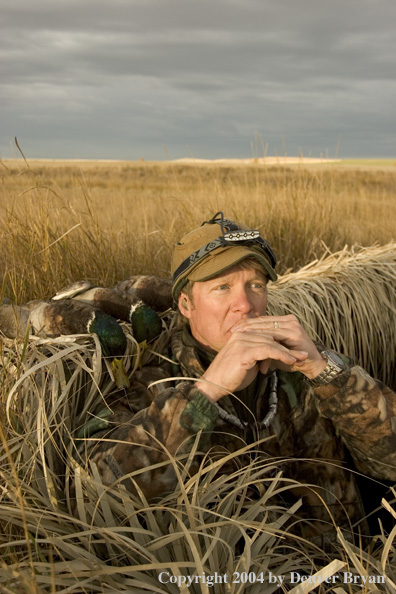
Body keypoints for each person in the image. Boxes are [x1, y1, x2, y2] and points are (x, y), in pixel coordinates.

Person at [79, 212, 396, 545]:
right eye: (222, 287)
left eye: (255, 285)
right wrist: (205, 392)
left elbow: (389, 463)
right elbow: (100, 500)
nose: (244, 305)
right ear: (186, 305)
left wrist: (323, 372)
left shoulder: (306, 369)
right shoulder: (150, 383)